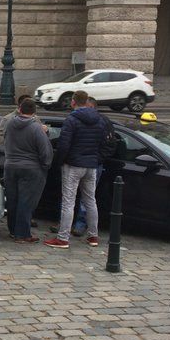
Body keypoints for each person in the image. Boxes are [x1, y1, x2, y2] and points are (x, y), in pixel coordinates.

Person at [45, 89, 110, 249]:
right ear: (87, 101)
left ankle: (63, 238)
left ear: (73, 102)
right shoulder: (100, 120)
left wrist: (59, 162)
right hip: (91, 165)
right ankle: (93, 236)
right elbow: (103, 143)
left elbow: (64, 144)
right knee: (90, 200)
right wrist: (95, 159)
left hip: (73, 164)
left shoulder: (72, 119)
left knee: (68, 201)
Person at [4, 97, 52, 242]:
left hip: (10, 165)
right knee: (26, 202)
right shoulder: (36, 127)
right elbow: (45, 151)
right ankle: (23, 234)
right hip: (31, 168)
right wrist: (45, 166)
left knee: (12, 200)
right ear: (34, 111)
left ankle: (13, 230)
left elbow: (5, 140)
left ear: (20, 109)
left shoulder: (11, 123)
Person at [72, 95, 116, 236]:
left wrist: (97, 159)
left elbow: (110, 145)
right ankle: (84, 230)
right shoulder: (77, 119)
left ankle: (80, 225)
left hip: (90, 163)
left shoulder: (103, 121)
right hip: (84, 162)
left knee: (86, 198)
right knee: (78, 197)